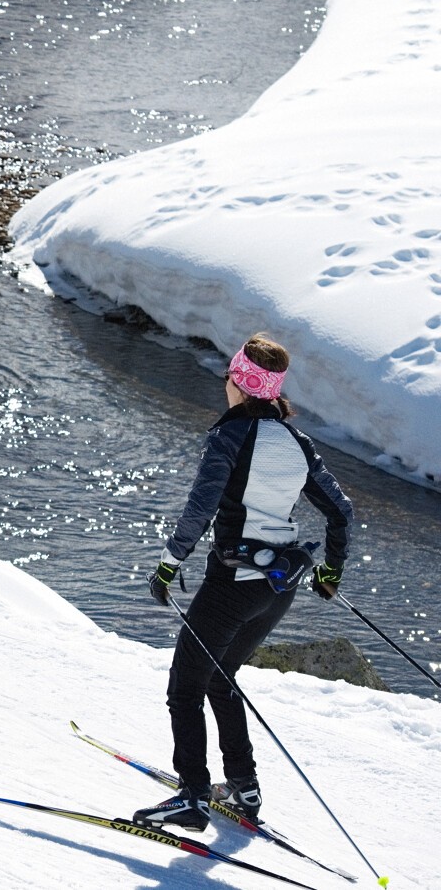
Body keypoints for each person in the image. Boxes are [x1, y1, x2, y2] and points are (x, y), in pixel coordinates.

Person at [134, 333, 354, 831]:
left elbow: (201, 506)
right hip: (278, 588)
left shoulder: (229, 437)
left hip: (232, 582)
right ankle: (244, 787)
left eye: (230, 376)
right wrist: (331, 570)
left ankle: (192, 795)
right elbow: (340, 511)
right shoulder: (299, 444)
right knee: (222, 676)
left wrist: (170, 562)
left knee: (185, 688)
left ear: (237, 380)